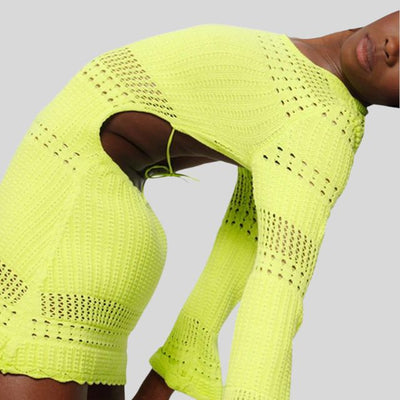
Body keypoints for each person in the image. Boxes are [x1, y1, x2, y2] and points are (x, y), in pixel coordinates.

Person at [0, 9, 398, 400]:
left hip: (63, 230)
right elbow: (243, 238)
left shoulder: (323, 124)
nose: (393, 49)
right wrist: (174, 365)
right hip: (88, 234)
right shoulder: (311, 79)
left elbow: (278, 288)